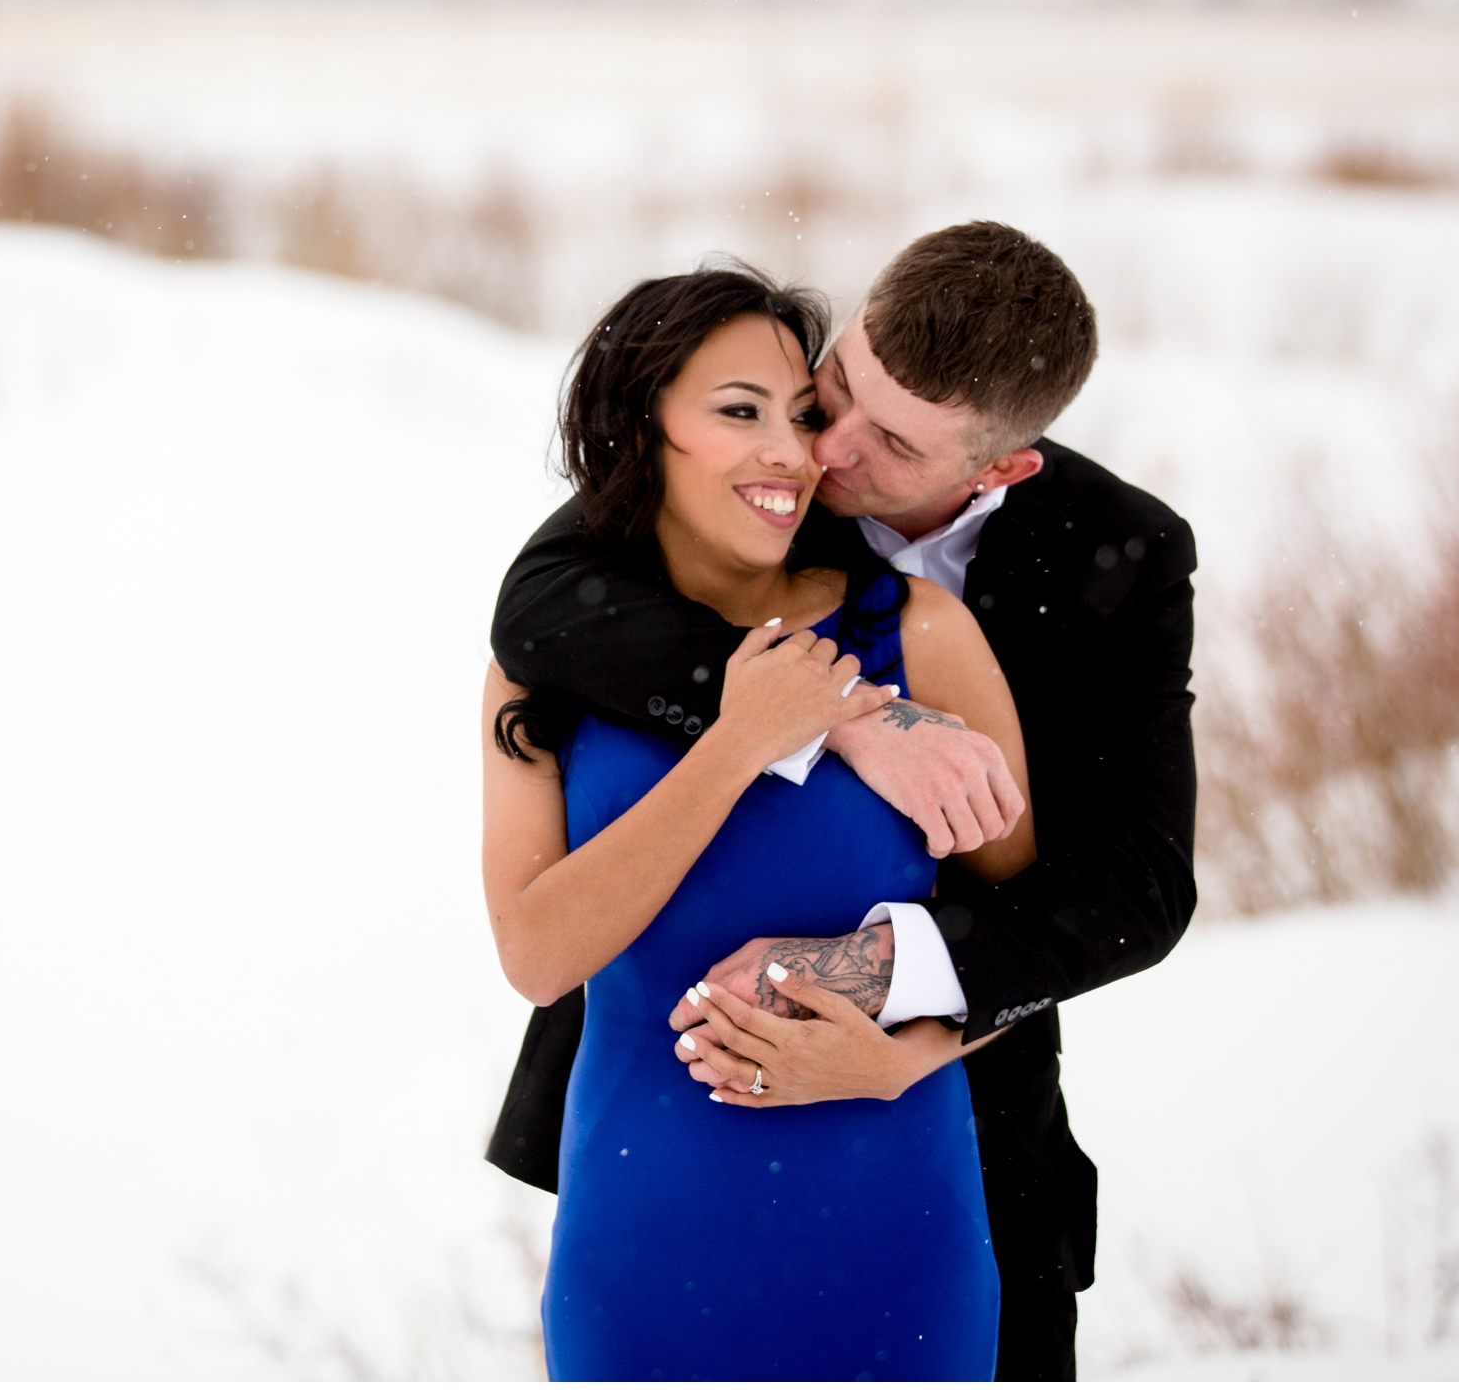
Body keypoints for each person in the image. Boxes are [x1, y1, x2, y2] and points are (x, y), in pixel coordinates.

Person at [485, 221, 1199, 1379]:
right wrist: (845, 716)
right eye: (838, 391)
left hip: (955, 1134)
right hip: (653, 1150)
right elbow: (538, 610)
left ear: (999, 468)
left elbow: (1132, 886)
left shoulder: (1116, 555)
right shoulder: (757, 470)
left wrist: (904, 1012)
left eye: (894, 443)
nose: (829, 450)